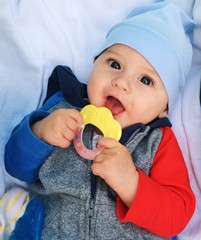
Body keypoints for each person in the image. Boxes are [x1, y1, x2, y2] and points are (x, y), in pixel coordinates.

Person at [4, 2, 196, 239]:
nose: (121, 81)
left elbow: (177, 217)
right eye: (114, 64)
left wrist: (131, 183)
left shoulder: (158, 143)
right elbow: (15, 165)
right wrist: (40, 132)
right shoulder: (62, 109)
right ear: (94, 64)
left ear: (163, 109)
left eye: (145, 80)